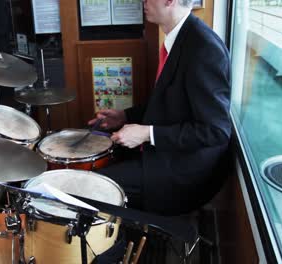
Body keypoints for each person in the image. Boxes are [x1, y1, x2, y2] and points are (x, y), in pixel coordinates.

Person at [89, 0, 231, 216]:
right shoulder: (180, 37)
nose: (143, 2)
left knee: (93, 186)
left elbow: (216, 131)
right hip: (168, 152)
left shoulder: (204, 48)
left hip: (185, 170)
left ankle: (124, 243)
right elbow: (170, 102)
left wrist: (147, 134)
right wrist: (124, 116)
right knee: (94, 144)